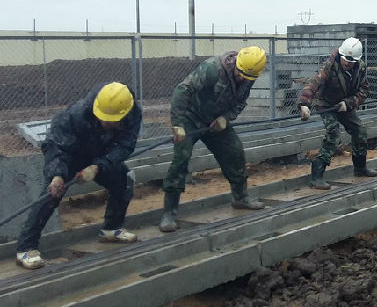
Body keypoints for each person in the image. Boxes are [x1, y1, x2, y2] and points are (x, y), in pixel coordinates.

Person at [16, 82, 142, 269]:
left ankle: (111, 228)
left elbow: (125, 146)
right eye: (103, 118)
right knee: (51, 194)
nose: (106, 123)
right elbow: (56, 146)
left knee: (124, 180)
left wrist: (98, 167)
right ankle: (26, 248)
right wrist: (57, 175)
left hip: (100, 157)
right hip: (71, 155)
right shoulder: (76, 115)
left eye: (112, 120)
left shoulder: (133, 114)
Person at [160, 46, 267, 233]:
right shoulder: (212, 69)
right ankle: (169, 212)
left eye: (247, 78)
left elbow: (240, 103)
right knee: (181, 158)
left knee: (235, 152)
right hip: (190, 118)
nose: (242, 79)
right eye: (240, 74)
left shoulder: (248, 76)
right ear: (237, 63)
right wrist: (178, 124)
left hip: (215, 121)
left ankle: (240, 197)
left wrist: (226, 118)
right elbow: (182, 90)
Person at [298, 38, 377, 190]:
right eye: (345, 60)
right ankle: (317, 175)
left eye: (351, 61)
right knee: (333, 133)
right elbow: (314, 83)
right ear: (341, 55)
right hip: (326, 104)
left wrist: (348, 103)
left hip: (344, 104)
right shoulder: (329, 66)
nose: (347, 63)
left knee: (360, 131)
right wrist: (304, 104)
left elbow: (364, 90)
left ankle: (360, 168)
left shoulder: (360, 68)